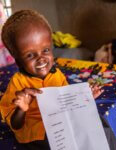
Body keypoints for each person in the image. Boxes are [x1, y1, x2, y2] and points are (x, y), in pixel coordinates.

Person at [0, 10, 103, 150]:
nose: (41, 58)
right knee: (57, 140)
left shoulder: (57, 75)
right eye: (30, 55)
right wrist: (21, 109)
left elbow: (68, 103)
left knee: (99, 124)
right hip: (35, 131)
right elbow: (15, 124)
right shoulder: (17, 83)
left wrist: (85, 98)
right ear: (17, 58)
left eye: (46, 50)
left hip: (60, 122)